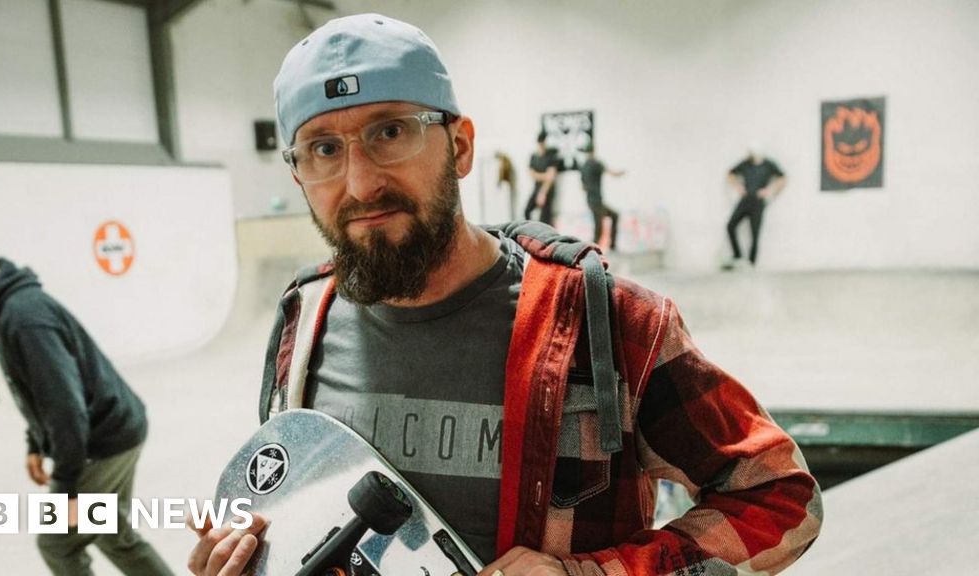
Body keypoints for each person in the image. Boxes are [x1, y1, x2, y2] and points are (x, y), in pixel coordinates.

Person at [187, 14, 822, 576]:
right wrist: (253, 559)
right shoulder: (303, 321)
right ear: (298, 172)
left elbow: (781, 498)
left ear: (460, 146)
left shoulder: (610, 322)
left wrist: (598, 574)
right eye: (324, 149)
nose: (359, 182)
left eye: (390, 132)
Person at [0, 230, 173, 576]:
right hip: (116, 425)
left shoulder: (23, 317)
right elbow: (36, 388)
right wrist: (35, 443)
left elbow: (65, 406)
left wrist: (67, 488)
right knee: (112, 533)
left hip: (104, 438)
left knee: (58, 543)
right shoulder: (2, 310)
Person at [724, 145, 786, 268]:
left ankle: (751, 263)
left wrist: (770, 191)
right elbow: (730, 174)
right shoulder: (745, 164)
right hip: (745, 200)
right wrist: (738, 187)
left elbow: (782, 178)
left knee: (755, 233)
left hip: (758, 202)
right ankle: (737, 255)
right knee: (730, 226)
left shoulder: (768, 164)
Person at [579, 145, 624, 250]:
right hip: (597, 200)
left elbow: (582, 187)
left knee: (609, 217)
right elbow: (612, 173)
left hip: (590, 201)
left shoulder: (583, 166)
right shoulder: (597, 163)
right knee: (599, 224)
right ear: (593, 151)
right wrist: (620, 173)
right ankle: (596, 248)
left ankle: (607, 246)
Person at [523, 132, 562, 225]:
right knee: (527, 211)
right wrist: (545, 176)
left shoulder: (551, 156)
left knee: (545, 218)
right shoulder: (534, 156)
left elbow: (551, 177)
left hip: (547, 190)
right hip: (536, 188)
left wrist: (543, 193)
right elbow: (532, 174)